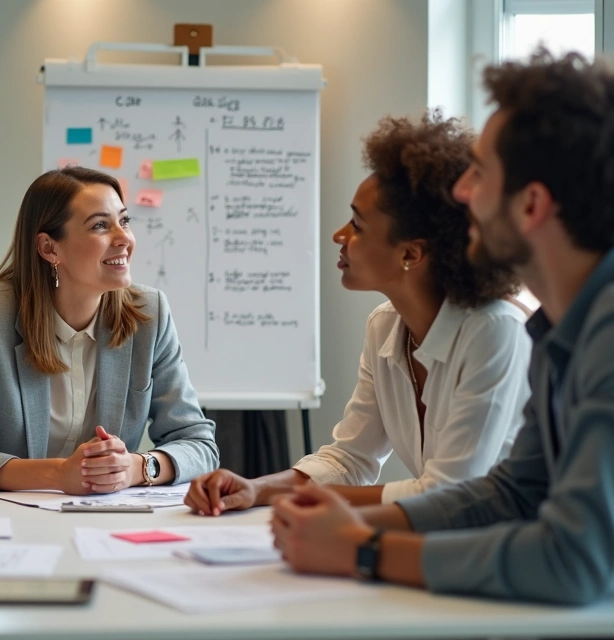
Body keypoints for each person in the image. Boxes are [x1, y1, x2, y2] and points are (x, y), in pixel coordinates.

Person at [271, 50, 614, 635]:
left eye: (480, 173)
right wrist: (354, 523)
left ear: (531, 205)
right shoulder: (567, 322)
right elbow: (513, 494)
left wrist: (360, 550)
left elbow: (572, 559)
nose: (463, 191)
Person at [187, 112, 530, 515]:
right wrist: (256, 487)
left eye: (357, 224)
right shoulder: (385, 326)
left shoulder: (496, 331)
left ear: (410, 254)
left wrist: (306, 499)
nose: (339, 236)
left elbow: (450, 491)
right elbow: (350, 460)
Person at [0, 166, 218, 493]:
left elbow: (198, 443)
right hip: (15, 518)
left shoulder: (149, 314)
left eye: (124, 221)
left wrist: (136, 467)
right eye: (99, 226)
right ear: (50, 249)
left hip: (108, 518)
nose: (124, 239)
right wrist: (57, 474)